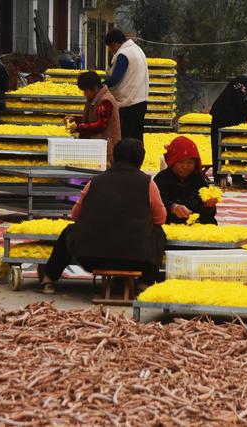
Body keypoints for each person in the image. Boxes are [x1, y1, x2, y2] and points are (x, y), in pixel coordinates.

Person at [40, 138, 167, 294]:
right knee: (158, 233)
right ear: (140, 161)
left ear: (114, 158)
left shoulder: (95, 181)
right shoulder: (147, 183)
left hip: (90, 258)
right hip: (136, 260)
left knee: (69, 230)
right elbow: (160, 219)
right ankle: (144, 282)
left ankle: (49, 278)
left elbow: (75, 215)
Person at [154, 136, 217, 225]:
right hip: (170, 226)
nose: (185, 166)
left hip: (196, 227)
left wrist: (208, 206)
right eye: (180, 162)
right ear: (172, 161)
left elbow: (210, 214)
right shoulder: (162, 179)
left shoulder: (198, 179)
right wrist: (173, 207)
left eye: (189, 162)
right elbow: (155, 207)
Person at [66, 71, 121, 165]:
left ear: (95, 88)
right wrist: (75, 119)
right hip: (97, 147)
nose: (85, 94)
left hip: (106, 148)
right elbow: (94, 118)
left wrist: (78, 127)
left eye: (86, 91)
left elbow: (101, 124)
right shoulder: (94, 99)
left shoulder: (105, 101)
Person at [104, 29, 149, 141]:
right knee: (137, 136)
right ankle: (137, 158)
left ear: (114, 44)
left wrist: (100, 86)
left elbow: (115, 78)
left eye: (110, 47)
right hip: (141, 100)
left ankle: (125, 158)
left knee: (125, 136)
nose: (110, 50)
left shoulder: (123, 54)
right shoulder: (136, 49)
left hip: (128, 102)